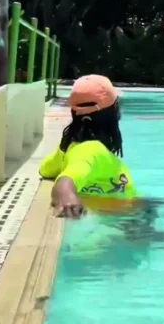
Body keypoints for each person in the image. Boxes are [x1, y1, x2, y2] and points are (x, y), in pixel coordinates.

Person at [40, 75, 138, 218]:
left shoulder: (70, 149)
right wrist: (67, 198)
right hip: (120, 226)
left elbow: (45, 169)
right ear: (113, 112)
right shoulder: (92, 151)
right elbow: (65, 182)